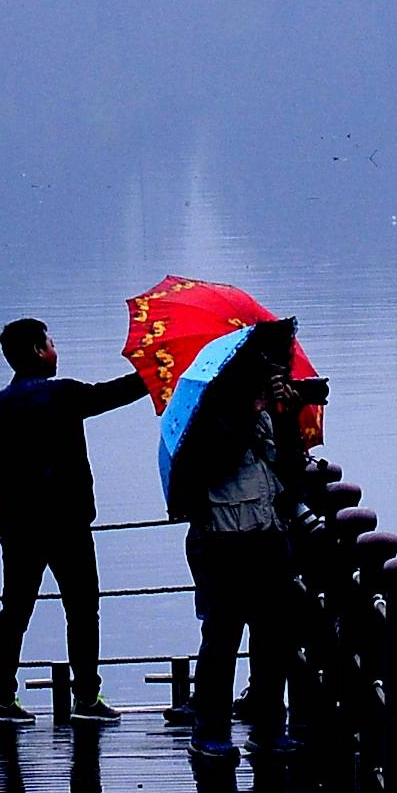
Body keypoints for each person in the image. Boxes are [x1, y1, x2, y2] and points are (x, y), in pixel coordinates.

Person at [0, 316, 148, 727]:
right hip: (69, 522)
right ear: (36, 351)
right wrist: (155, 371)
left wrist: (13, 468)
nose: (54, 350)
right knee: (82, 610)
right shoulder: (64, 395)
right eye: (50, 343)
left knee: (14, 612)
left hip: (19, 527)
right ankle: (86, 695)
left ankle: (1, 698)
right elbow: (114, 394)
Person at [160, 318, 314, 762]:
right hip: (221, 542)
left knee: (274, 639)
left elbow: (288, 470)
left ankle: (269, 727)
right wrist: (252, 409)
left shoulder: (263, 411)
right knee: (222, 640)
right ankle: (210, 731)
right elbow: (212, 466)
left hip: (267, 537)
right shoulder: (209, 414)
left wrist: (284, 417)